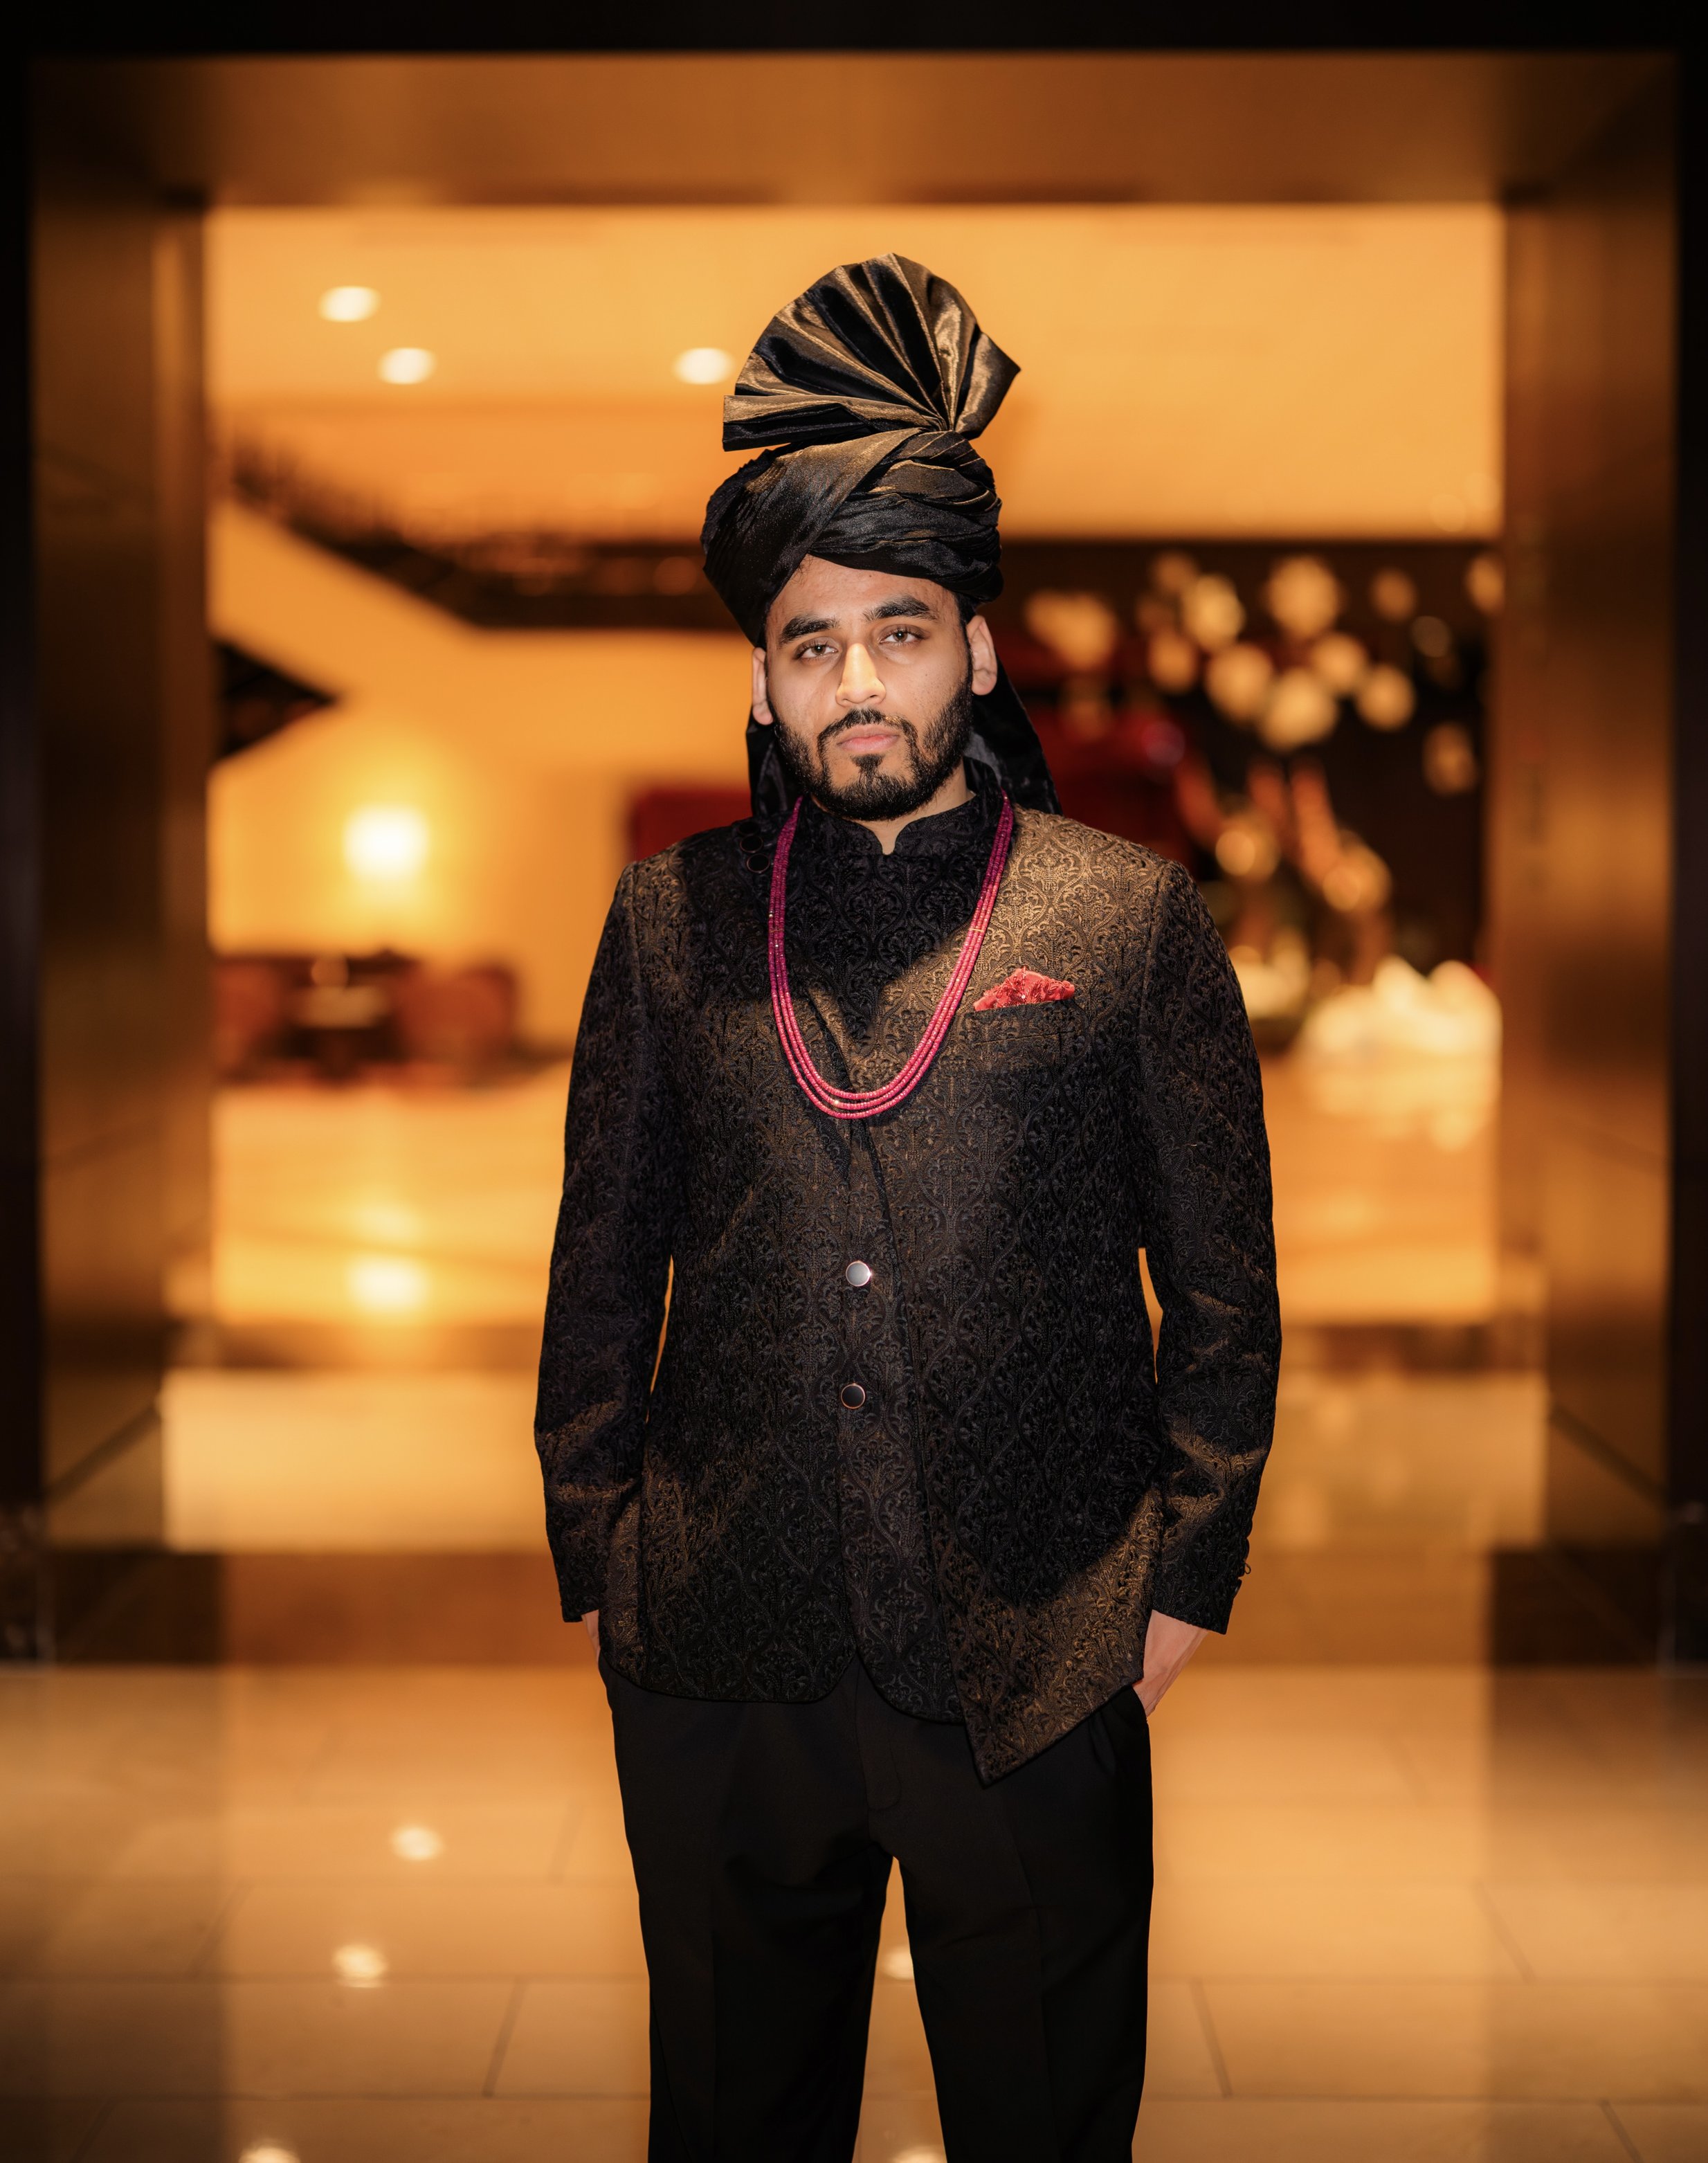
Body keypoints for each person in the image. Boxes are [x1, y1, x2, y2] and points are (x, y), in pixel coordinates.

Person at [536, 253, 1279, 2163]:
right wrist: (604, 1551)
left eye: (898, 631)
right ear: (763, 683)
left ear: (977, 653)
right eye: (810, 646)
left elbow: (1221, 1290)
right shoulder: (671, 922)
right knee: (731, 2116)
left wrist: (1178, 1579)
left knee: (1044, 2121)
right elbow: (600, 1266)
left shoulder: (1123, 919)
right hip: (720, 1645)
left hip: (1036, 1651)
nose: (857, 683)